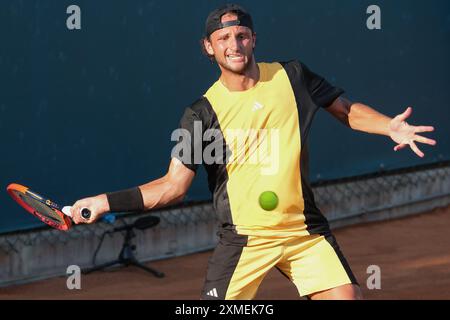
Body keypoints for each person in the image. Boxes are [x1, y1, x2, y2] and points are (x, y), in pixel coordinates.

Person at [70, 4, 436, 300]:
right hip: (244, 238)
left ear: (254, 39)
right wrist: (104, 202)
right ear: (208, 48)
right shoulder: (200, 113)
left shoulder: (292, 76)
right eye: (224, 37)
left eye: (241, 35)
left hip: (303, 231)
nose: (234, 44)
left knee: (346, 297)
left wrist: (389, 125)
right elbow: (172, 185)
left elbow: (345, 109)